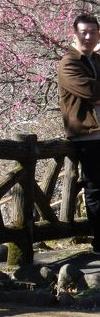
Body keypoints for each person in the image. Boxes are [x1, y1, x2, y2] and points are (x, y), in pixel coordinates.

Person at [58, 13, 100, 253]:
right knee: (95, 188)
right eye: (83, 32)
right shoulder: (69, 63)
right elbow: (90, 91)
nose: (88, 36)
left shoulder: (96, 60)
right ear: (74, 34)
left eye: (92, 31)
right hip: (86, 133)